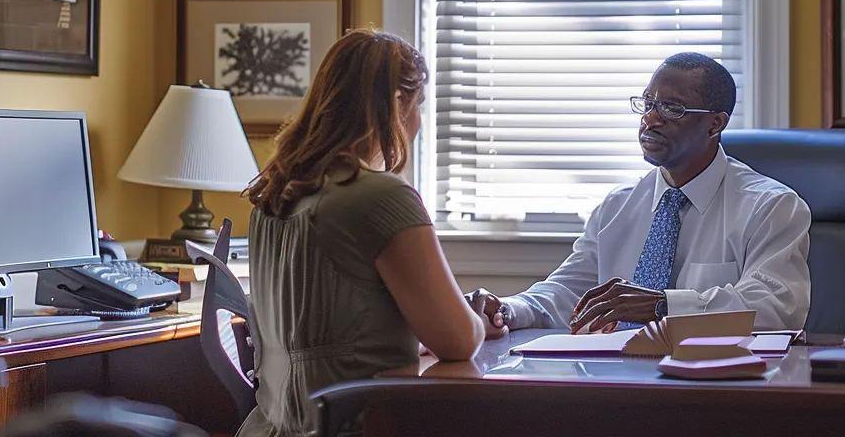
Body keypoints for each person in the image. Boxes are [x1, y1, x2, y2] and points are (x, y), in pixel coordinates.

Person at [237, 29, 493, 437]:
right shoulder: (379, 195)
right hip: (353, 426)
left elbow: (329, 322)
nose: (419, 122)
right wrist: (475, 316)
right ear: (396, 104)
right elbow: (459, 341)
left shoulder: (274, 197)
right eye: (418, 105)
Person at [466, 53, 811, 334]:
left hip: (720, 389)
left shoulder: (770, 206)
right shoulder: (618, 205)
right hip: (618, 381)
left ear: (715, 124)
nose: (650, 119)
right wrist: (509, 310)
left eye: (672, 108)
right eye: (648, 103)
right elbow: (570, 290)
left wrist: (664, 306)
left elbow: (775, 305)